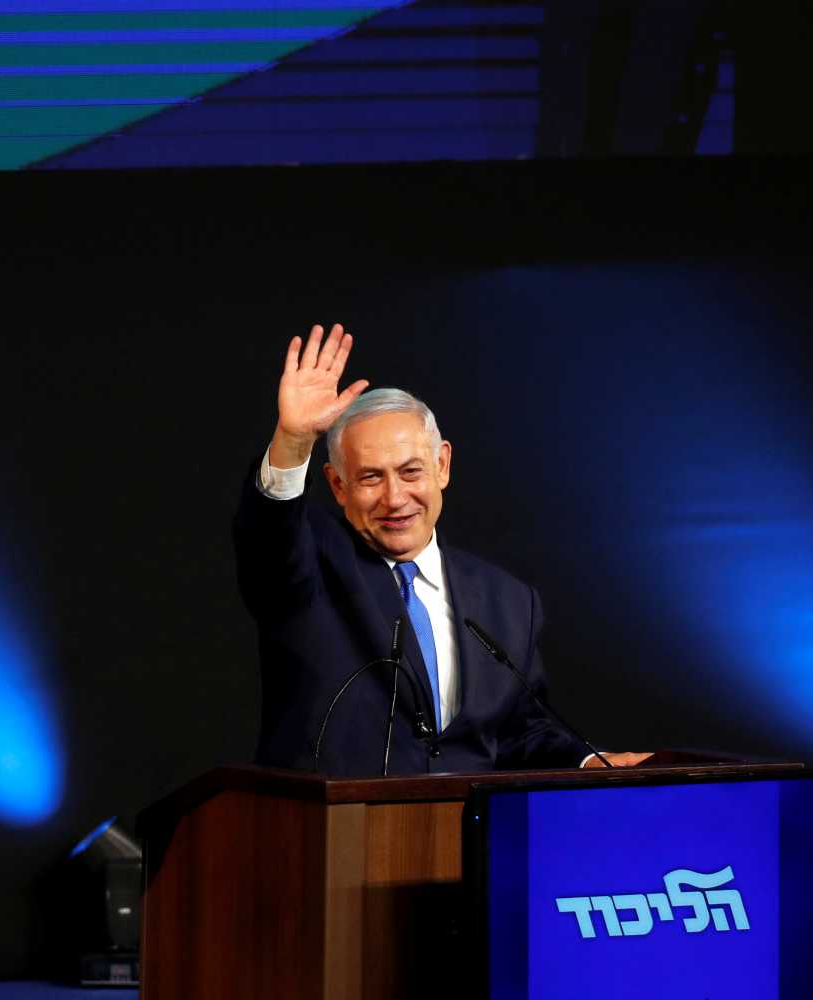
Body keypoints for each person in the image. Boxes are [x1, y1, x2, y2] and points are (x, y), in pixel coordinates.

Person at [234, 323, 649, 776]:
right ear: (338, 485)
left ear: (442, 466)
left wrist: (588, 761)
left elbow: (520, 731)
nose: (395, 498)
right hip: (332, 835)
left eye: (411, 472)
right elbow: (268, 540)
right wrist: (293, 442)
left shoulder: (507, 601)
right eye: (371, 477)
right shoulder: (310, 565)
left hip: (463, 836)